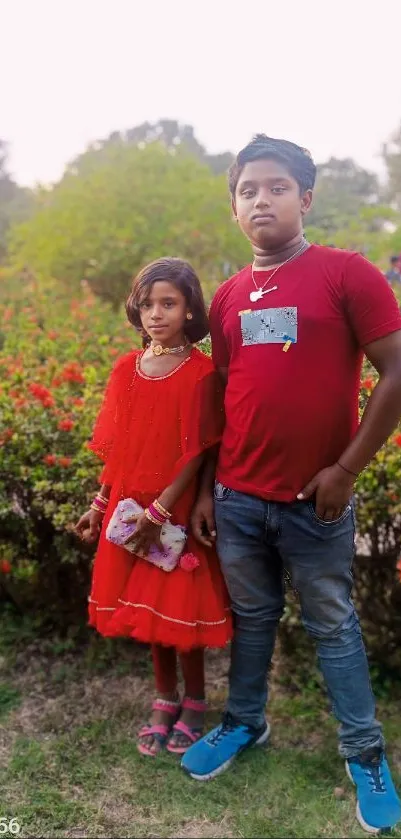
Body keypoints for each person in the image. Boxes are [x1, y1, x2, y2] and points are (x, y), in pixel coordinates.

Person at [181, 136, 401, 834]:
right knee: (252, 619)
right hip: (238, 499)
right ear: (234, 207)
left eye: (276, 187)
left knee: (332, 626)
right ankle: (246, 721)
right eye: (247, 190)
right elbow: (224, 397)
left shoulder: (346, 274)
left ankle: (364, 753)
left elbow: (396, 371)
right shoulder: (226, 298)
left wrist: (344, 469)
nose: (261, 200)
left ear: (304, 198)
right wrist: (202, 491)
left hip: (316, 501)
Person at [75, 257, 232, 758]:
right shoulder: (128, 368)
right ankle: (164, 699)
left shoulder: (201, 372)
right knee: (147, 612)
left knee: (177, 608)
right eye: (148, 304)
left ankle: (196, 702)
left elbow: (198, 450)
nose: (156, 313)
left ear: (190, 309)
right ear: (136, 310)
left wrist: (161, 512)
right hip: (128, 507)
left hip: (173, 512)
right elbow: (119, 446)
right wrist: (100, 503)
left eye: (169, 303)